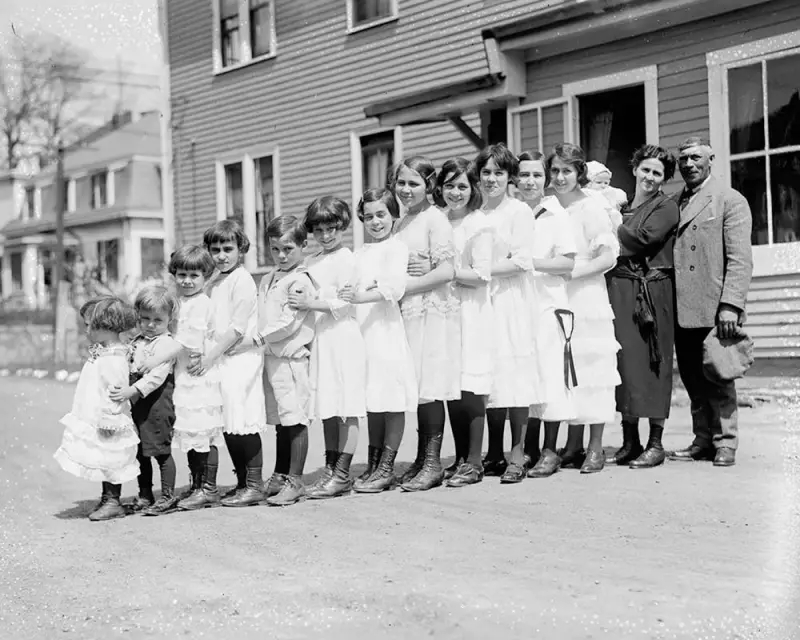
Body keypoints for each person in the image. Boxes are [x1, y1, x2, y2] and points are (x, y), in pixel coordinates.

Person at [528, 143, 620, 477]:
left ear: (579, 173)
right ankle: (560, 447)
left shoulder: (591, 206)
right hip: (552, 296)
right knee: (557, 370)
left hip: (585, 295)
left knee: (591, 370)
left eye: (567, 170)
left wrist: (571, 273)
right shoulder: (545, 206)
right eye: (554, 170)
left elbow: (607, 257)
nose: (560, 177)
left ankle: (594, 447)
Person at [668, 137, 753, 467]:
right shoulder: (676, 202)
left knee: (719, 374)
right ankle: (703, 438)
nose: (688, 164)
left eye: (695, 158)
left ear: (710, 159)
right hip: (681, 308)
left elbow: (740, 259)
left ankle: (726, 442)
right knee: (691, 377)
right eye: (683, 158)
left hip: (715, 307)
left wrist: (731, 303)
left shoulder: (729, 200)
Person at [229, 215, 317, 506]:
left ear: (303, 246)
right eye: (275, 249)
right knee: (281, 420)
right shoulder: (268, 278)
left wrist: (257, 339)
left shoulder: (300, 280)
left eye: (288, 249)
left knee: (295, 418)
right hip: (270, 359)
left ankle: (296, 480)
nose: (281, 255)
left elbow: (288, 323)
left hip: (289, 358)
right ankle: (280, 475)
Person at [606, 145, 680, 469]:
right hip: (619, 289)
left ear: (664, 180)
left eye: (657, 173)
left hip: (651, 290)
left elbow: (641, 240)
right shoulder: (620, 206)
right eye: (646, 169)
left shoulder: (666, 207)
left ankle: (656, 443)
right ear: (635, 168)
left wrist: (609, 227)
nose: (650, 177)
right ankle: (629, 440)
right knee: (624, 363)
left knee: (653, 363)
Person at [290, 196, 367, 499]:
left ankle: (343, 474)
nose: (326, 235)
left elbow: (346, 303)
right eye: (319, 230)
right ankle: (330, 470)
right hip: (321, 337)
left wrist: (312, 303)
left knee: (346, 406)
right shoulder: (311, 262)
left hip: (343, 335)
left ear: (342, 226)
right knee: (328, 406)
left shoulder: (347, 258)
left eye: (332, 228)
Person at [392, 156, 459, 492]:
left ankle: (433, 462)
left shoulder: (435, 219)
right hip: (408, 310)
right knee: (418, 387)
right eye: (401, 183)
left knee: (429, 385)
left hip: (430, 311)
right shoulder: (402, 222)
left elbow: (446, 271)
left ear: (429, 186)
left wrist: (403, 285)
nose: (406, 190)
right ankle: (421, 459)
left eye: (414, 183)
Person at [142, 245, 225, 512]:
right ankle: (197, 483)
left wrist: (155, 359)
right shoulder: (177, 301)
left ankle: (208, 488)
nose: (187, 281)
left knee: (202, 429)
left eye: (194, 276)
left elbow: (187, 342)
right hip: (181, 372)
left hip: (197, 373)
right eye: (181, 275)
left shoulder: (202, 304)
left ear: (206, 277)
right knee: (190, 430)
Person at [477, 143, 541, 484]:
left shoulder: (519, 212)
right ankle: (494, 452)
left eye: (499, 173)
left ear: (509, 177)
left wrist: (480, 269)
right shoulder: (475, 214)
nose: (491, 179)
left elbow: (521, 261)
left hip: (509, 299)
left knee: (513, 374)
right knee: (488, 375)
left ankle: (517, 452)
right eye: (486, 173)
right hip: (479, 301)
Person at [349, 188, 418, 493]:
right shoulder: (360, 253)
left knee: (391, 398)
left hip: (385, 329)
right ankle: (373, 462)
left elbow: (392, 288)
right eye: (368, 217)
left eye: (381, 215)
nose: (375, 222)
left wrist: (365, 293)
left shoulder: (396, 248)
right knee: (373, 398)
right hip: (364, 331)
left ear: (393, 215)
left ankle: (387, 466)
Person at [195, 219, 267, 507]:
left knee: (243, 418)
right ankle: (241, 482)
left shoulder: (243, 279)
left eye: (228, 249)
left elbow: (237, 327)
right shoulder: (214, 281)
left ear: (241, 249)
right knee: (229, 423)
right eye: (216, 250)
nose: (222, 255)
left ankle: (255, 483)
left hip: (239, 357)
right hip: (220, 357)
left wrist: (210, 356)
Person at [517, 151, 578, 473]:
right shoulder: (511, 214)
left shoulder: (557, 214)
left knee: (551, 373)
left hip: (548, 303)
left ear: (545, 179)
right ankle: (527, 448)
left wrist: (532, 262)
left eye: (536, 176)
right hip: (518, 305)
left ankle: (551, 450)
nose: (530, 181)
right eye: (524, 175)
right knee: (527, 375)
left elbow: (567, 263)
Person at [54, 297, 139, 521]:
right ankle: (107, 498)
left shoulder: (113, 358)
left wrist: (110, 418)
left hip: (106, 417)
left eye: (89, 325)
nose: (86, 330)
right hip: (95, 414)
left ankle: (113, 501)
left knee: (111, 458)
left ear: (106, 326)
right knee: (103, 456)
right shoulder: (105, 351)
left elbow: (115, 390)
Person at [436, 158, 494, 487]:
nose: (455, 192)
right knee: (451, 387)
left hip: (470, 309)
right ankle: (459, 457)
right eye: (449, 185)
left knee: (470, 387)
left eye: (462, 186)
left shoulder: (478, 224)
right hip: (444, 310)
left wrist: (448, 273)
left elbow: (482, 275)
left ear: (472, 189)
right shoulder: (440, 222)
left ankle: (474, 461)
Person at [110, 285, 179, 516]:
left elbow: (157, 377)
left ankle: (168, 495)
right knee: (141, 450)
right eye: (145, 319)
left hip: (157, 402)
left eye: (157, 320)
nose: (150, 325)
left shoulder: (166, 344)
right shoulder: (137, 340)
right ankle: (145, 494)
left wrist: (133, 390)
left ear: (170, 318)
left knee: (160, 449)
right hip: (138, 403)